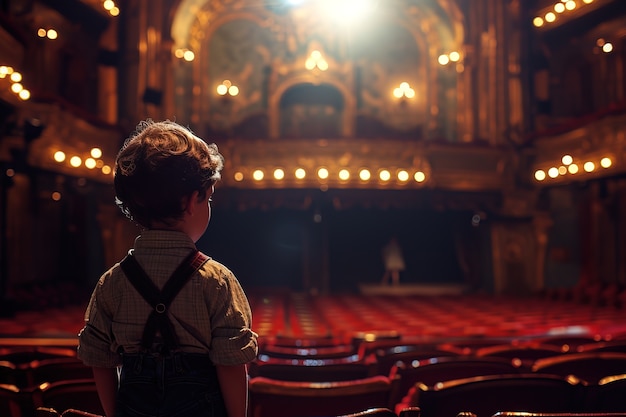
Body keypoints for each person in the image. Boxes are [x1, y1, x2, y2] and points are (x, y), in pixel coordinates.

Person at [77, 120, 258, 417]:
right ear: (191, 202)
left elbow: (99, 359)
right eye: (208, 198)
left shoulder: (112, 281)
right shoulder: (218, 280)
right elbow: (230, 364)